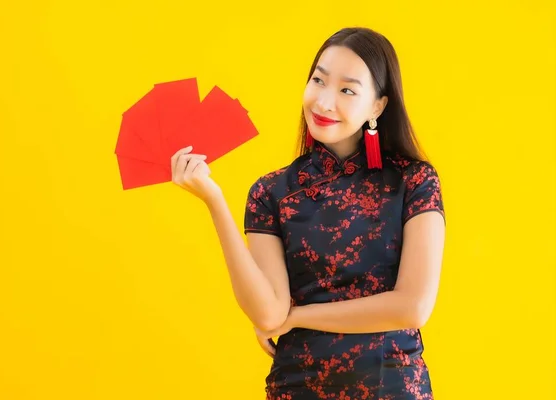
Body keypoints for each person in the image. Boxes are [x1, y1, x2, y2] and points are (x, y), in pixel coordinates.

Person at [170, 26, 446, 400]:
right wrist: (214, 201)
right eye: (318, 81)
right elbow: (268, 316)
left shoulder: (413, 181)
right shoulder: (272, 192)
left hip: (392, 387)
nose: (324, 101)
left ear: (377, 106)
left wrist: (298, 317)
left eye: (347, 89)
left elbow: (411, 307)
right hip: (297, 387)